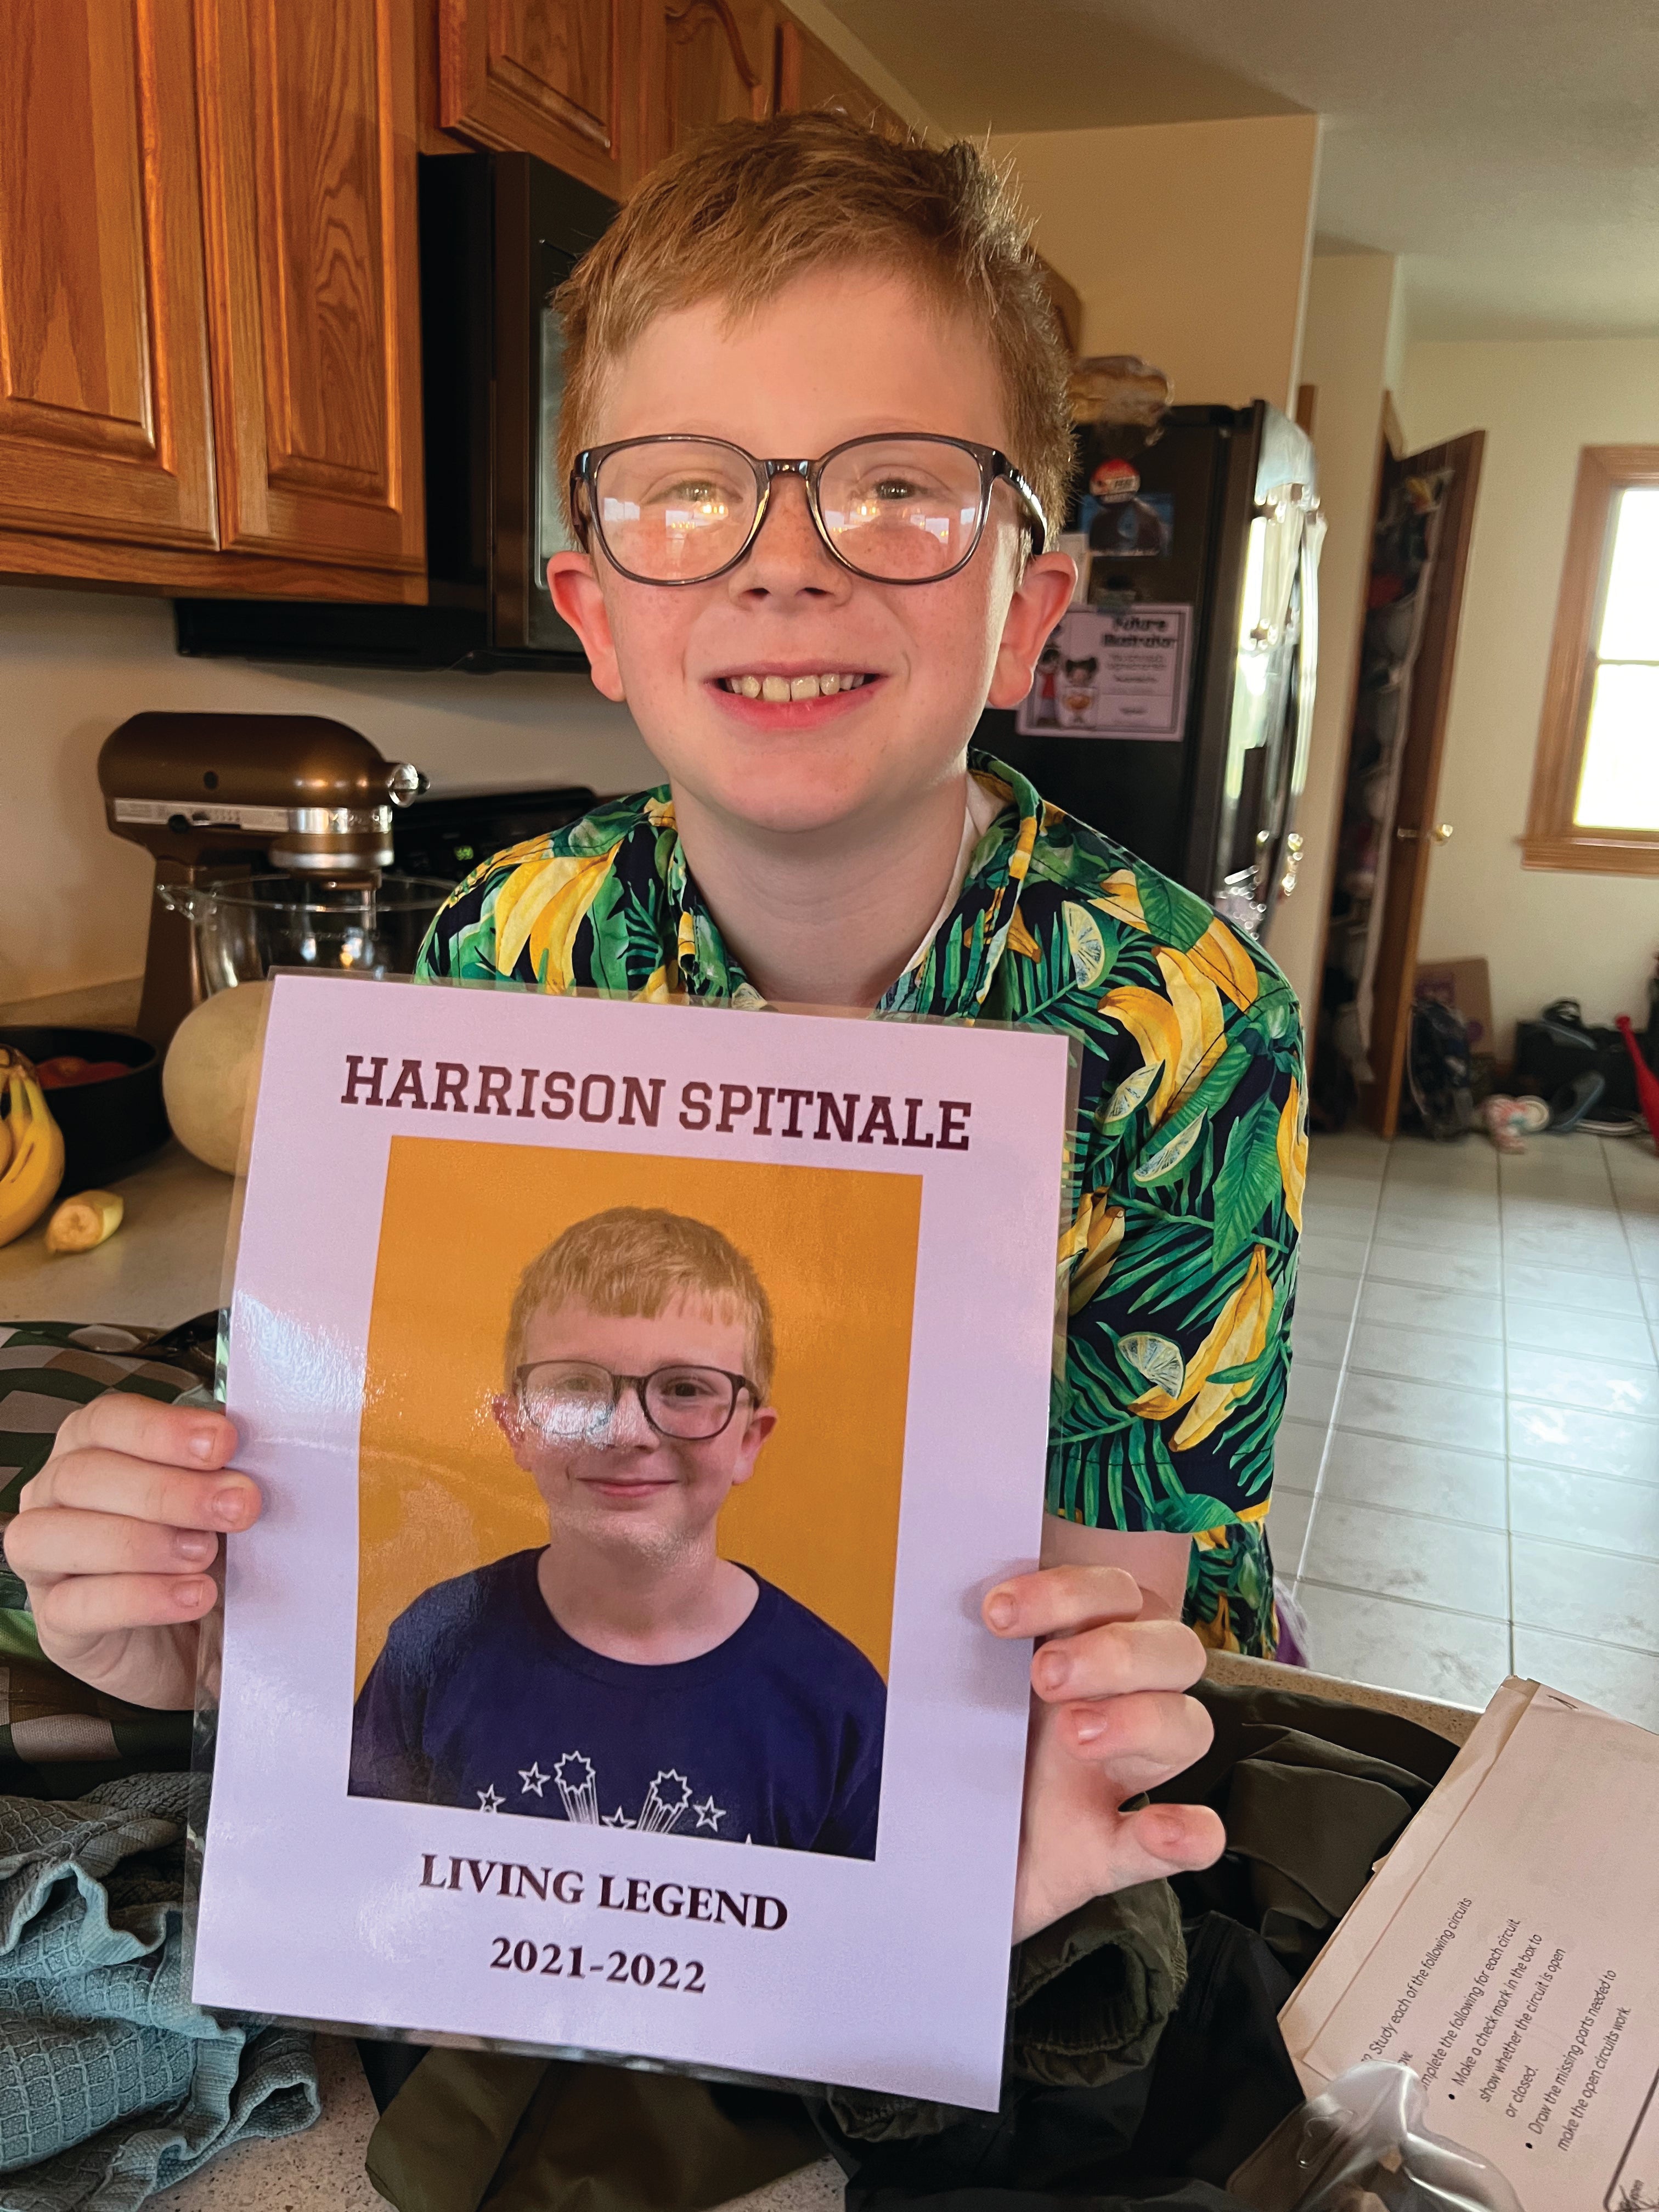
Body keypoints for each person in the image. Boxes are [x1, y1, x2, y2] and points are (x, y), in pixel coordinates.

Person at [7, 111, 1308, 1959]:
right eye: (688, 492)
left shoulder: (1182, 1020)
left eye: (900, 488)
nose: (785, 563)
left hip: (1004, 1764)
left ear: (1025, 613)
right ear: (595, 612)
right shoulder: (500, 938)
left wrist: (995, 1804)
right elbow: (411, 1488)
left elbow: (1100, 1606)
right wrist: (196, 1627)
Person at [350, 1207, 886, 1858]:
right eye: (576, 1386)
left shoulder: (841, 1709)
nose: (626, 1432)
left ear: (749, 1440)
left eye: (686, 1389)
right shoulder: (433, 1649)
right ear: (517, 1426)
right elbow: (358, 1891)